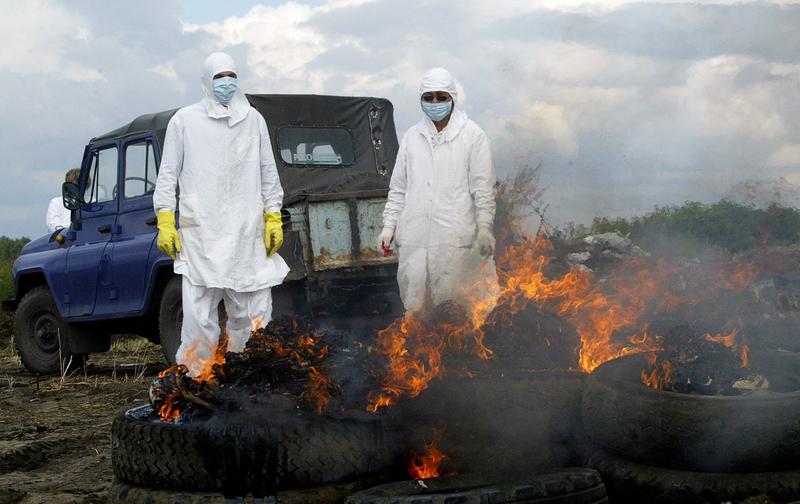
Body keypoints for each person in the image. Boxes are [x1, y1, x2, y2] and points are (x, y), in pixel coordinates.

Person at [153, 51, 289, 376]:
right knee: (199, 320)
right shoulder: (184, 121)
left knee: (253, 318)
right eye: (219, 77)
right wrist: (165, 220)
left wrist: (272, 215)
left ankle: (249, 381)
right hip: (202, 237)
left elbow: (269, 173)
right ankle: (197, 382)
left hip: (247, 235)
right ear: (206, 81)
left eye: (231, 75)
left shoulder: (253, 120)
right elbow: (167, 176)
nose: (226, 83)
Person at [379, 67, 499, 315]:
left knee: (456, 312)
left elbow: (482, 190)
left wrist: (485, 227)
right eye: (429, 97)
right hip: (415, 242)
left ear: (452, 98)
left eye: (441, 97)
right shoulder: (412, 137)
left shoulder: (473, 136)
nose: (435, 103)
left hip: (455, 244)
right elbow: (398, 189)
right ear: (421, 100)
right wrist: (389, 227)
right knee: (416, 312)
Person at [46, 168, 80, 232]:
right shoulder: (56, 202)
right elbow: (54, 226)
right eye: (74, 184)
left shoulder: (92, 200)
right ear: (68, 185)